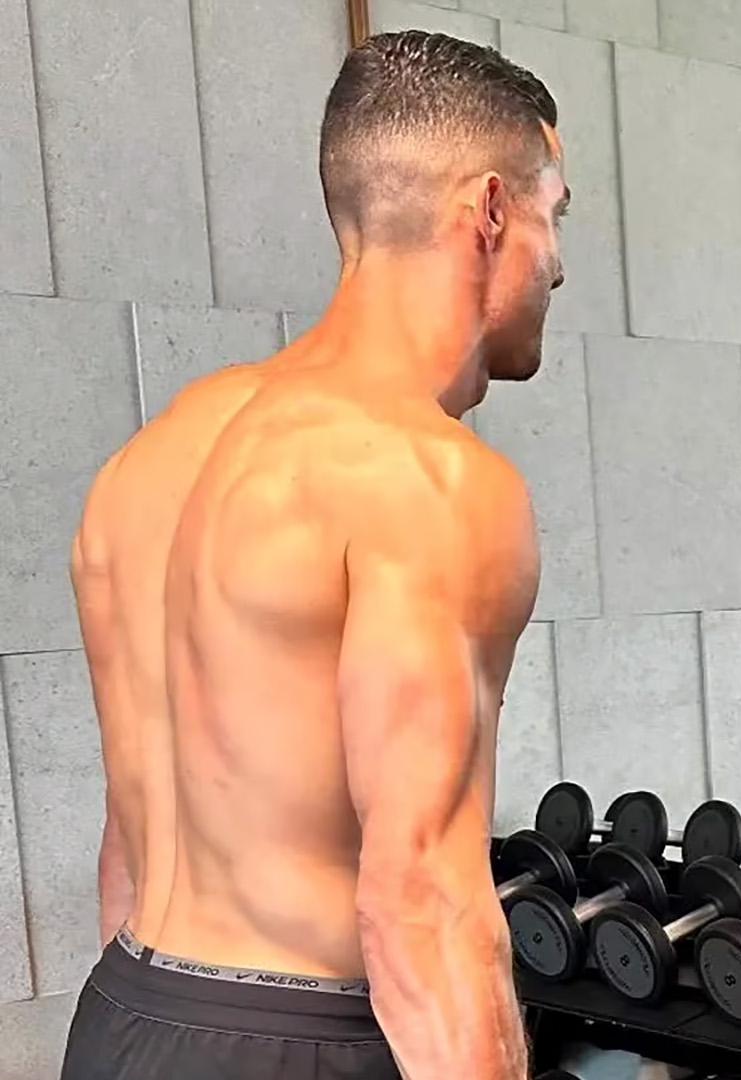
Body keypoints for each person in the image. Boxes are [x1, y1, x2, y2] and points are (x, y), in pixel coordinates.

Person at [61, 30, 567, 1080]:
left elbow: (128, 850)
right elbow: (421, 902)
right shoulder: (430, 481)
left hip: (124, 1013)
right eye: (554, 215)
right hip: (305, 1042)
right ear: (488, 210)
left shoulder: (149, 461)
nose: (557, 264)